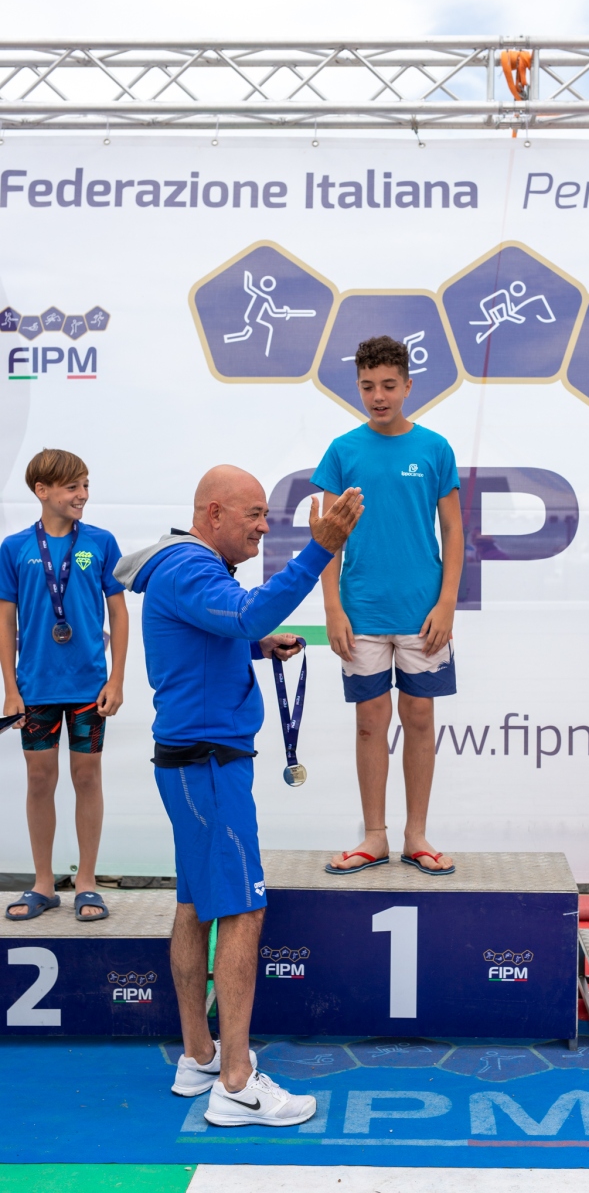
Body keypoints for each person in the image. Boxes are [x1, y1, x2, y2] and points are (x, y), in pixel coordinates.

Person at [114, 465, 362, 1128]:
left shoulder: (184, 567)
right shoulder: (192, 567)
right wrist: (321, 549)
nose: (264, 527)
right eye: (254, 515)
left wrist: (254, 645)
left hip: (194, 763)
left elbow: (214, 633)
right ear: (214, 513)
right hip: (210, 768)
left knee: (195, 907)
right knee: (243, 912)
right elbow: (247, 610)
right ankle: (237, 1082)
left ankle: (199, 1056)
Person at [313, 335, 464, 876]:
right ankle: (374, 836)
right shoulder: (342, 452)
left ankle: (415, 835)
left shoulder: (435, 449)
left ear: (408, 386)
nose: (378, 396)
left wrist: (447, 603)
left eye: (388, 385)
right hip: (362, 612)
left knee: (419, 718)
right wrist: (333, 609)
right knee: (369, 721)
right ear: (357, 387)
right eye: (367, 386)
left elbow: (454, 531)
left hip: (423, 614)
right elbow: (326, 539)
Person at [1, 449, 128, 922]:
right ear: (42, 491)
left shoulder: (100, 542)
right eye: (73, 486)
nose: (82, 495)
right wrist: (11, 689)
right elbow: (5, 620)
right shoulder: (15, 547)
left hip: (89, 687)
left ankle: (87, 883)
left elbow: (118, 613)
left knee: (87, 777)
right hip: (35, 688)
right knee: (39, 780)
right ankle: (42, 884)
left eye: (86, 485)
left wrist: (117, 678)